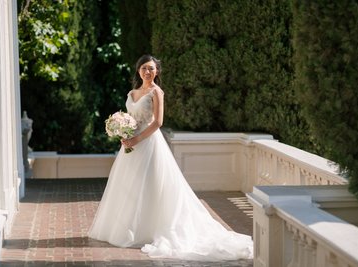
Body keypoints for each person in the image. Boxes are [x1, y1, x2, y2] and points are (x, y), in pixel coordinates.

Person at [88, 55, 253, 261]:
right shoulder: (132, 92)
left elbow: (158, 122)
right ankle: (128, 228)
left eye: (151, 69)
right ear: (138, 70)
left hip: (148, 143)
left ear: (157, 71)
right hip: (130, 145)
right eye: (144, 68)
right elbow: (130, 117)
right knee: (129, 185)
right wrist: (122, 131)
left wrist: (137, 138)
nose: (147, 72)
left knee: (151, 184)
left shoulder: (157, 92)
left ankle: (148, 230)